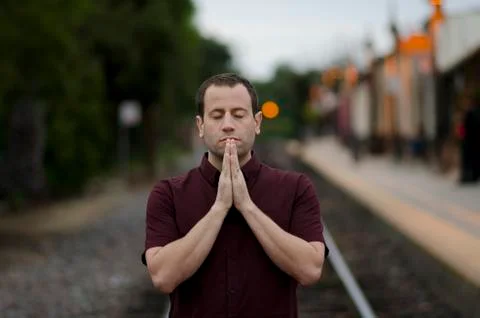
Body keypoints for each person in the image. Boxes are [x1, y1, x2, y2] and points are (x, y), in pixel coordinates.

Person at [141, 73, 328, 318]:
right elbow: (163, 277)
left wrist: (247, 206)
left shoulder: (296, 187)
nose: (228, 124)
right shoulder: (168, 194)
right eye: (217, 115)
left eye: (239, 115)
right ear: (200, 126)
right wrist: (219, 208)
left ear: (257, 122)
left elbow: (310, 270)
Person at [460, 93, 480, 184]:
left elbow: (464, 128)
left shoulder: (469, 113)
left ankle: (468, 177)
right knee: (475, 159)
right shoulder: (476, 112)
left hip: (468, 141)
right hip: (475, 141)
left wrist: (462, 137)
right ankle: (474, 176)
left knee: (468, 159)